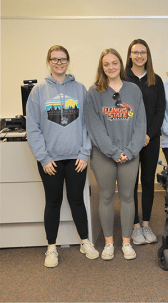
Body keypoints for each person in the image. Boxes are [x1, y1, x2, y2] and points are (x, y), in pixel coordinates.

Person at [26, 45, 99, 268]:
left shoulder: (80, 89)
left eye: (63, 59)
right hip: (51, 161)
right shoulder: (38, 92)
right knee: (53, 202)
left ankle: (85, 242)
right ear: (48, 62)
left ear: (68, 61)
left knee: (77, 200)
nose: (59, 63)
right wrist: (43, 158)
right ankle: (51, 248)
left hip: (77, 159)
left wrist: (85, 153)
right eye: (55, 59)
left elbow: (88, 124)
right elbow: (33, 128)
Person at [84, 48, 146, 260]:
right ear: (102, 68)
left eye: (114, 63)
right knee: (107, 196)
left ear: (121, 64)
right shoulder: (94, 92)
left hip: (130, 153)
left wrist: (128, 151)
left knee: (128, 197)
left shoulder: (134, 90)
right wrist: (113, 151)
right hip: (103, 155)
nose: (111, 67)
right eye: (106, 64)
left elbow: (140, 124)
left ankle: (127, 243)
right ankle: (109, 243)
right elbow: (94, 127)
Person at [124, 39, 165, 245]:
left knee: (148, 182)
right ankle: (135, 227)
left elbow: (160, 110)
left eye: (143, 52)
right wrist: (135, 137)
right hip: (128, 141)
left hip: (151, 140)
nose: (139, 56)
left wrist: (148, 134)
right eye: (135, 52)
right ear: (130, 55)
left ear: (147, 55)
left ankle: (146, 224)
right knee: (130, 184)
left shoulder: (155, 80)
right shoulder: (121, 77)